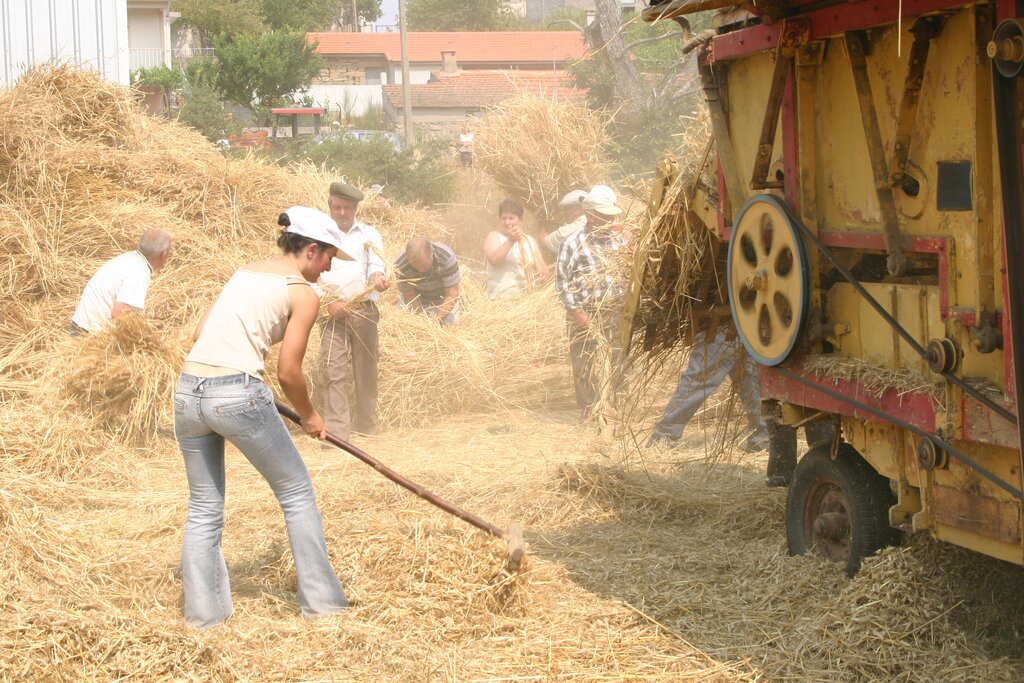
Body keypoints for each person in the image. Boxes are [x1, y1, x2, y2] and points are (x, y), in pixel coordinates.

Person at [173, 206, 352, 628]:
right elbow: (288, 371)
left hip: (187, 392)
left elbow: (201, 333)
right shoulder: (302, 293)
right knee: (296, 494)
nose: (327, 270)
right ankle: (323, 607)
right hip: (236, 394)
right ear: (311, 249)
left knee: (203, 506)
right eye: (328, 258)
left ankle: (204, 618)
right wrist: (310, 416)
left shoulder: (245, 273)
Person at [318, 181, 390, 441]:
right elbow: (310, 277)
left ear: (356, 208)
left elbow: (375, 264)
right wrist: (327, 303)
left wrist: (378, 279)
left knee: (366, 369)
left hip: (364, 309)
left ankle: (367, 427)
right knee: (334, 371)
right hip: (331, 311)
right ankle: (338, 434)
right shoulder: (320, 235)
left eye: (347, 208)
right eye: (337, 207)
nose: (341, 213)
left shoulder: (369, 234)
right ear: (330, 206)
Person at [555, 185, 629, 417]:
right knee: (584, 361)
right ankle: (589, 409)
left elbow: (627, 275)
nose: (609, 218)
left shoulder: (619, 241)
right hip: (584, 311)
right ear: (590, 214)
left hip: (614, 309)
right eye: (604, 215)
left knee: (618, 358)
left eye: (611, 214)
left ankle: (615, 405)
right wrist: (576, 312)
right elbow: (562, 281)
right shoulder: (572, 243)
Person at [647, 327, 770, 452]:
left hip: (755, 331)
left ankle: (762, 441)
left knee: (755, 382)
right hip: (722, 326)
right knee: (699, 381)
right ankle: (662, 439)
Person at [69, 228, 172, 335]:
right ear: (163, 254)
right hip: (91, 334)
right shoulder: (139, 272)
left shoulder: (127, 259)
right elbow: (119, 314)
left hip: (79, 325)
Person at [484, 198, 546, 298]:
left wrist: (543, 272)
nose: (507, 222)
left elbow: (542, 265)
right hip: (500, 301)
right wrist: (510, 240)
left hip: (526, 300)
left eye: (511, 218)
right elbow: (494, 260)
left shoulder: (530, 241)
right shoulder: (494, 236)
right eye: (504, 218)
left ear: (520, 220)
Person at [395, 236, 461, 326]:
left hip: (442, 300)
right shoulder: (400, 265)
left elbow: (452, 294)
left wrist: (436, 321)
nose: (421, 271)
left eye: (425, 266)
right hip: (418, 301)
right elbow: (410, 296)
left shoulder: (446, 257)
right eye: (415, 267)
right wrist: (423, 321)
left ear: (432, 254)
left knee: (448, 328)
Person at [541, 189, 588, 260]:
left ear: (578, 210)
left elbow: (549, 241)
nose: (565, 214)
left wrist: (541, 237)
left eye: (567, 210)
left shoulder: (578, 226)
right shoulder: (592, 219)